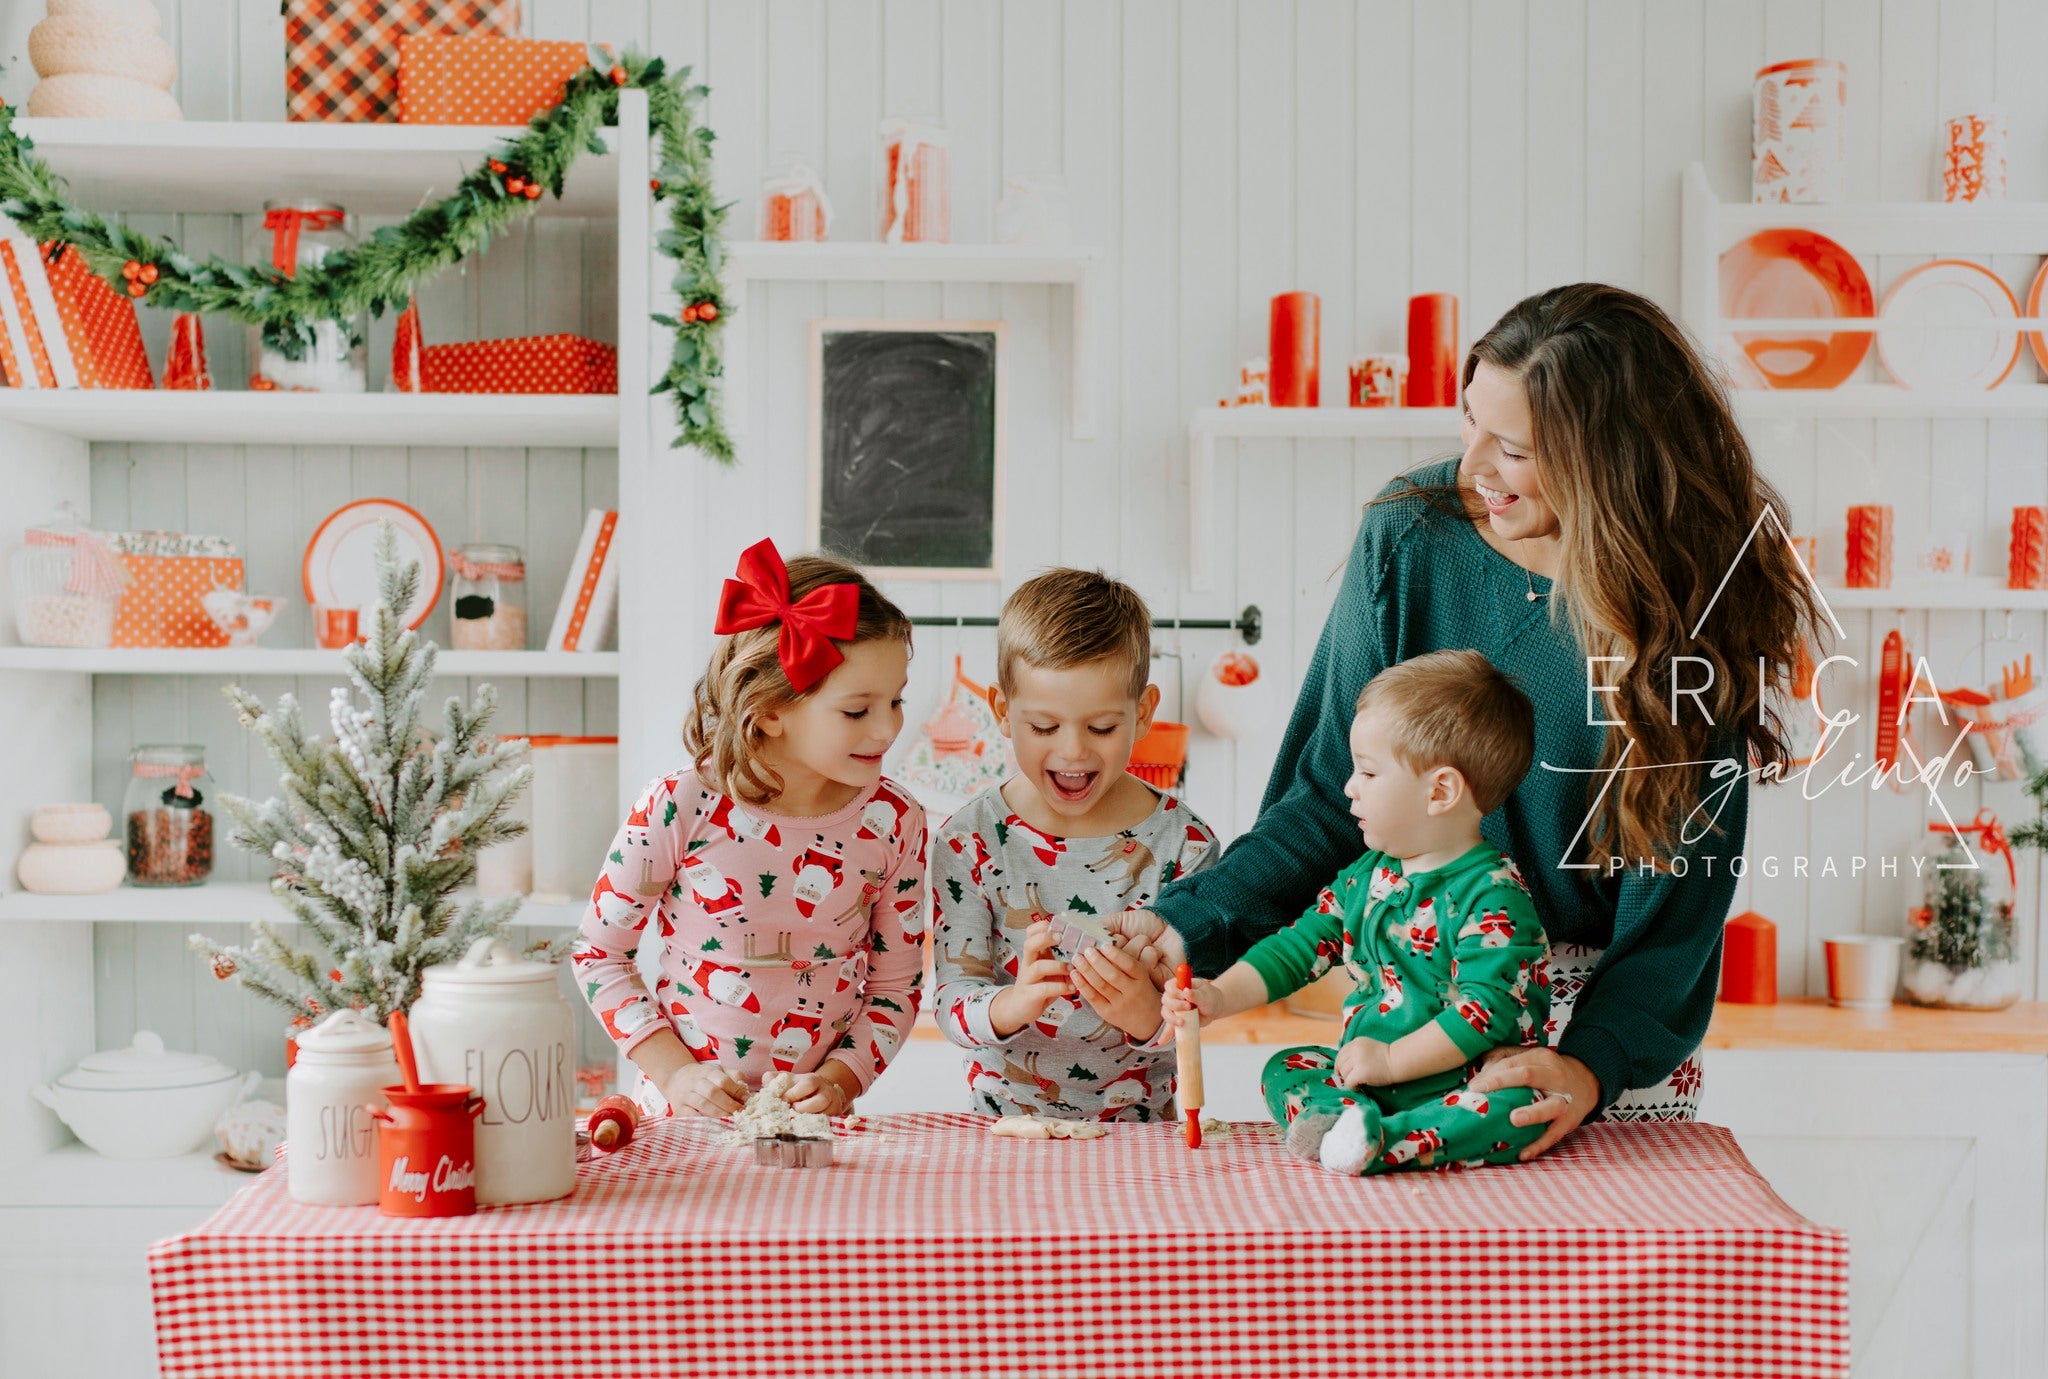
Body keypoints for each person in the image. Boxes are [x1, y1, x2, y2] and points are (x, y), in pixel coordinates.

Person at [1124, 283, 1828, 1157]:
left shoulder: (1692, 602)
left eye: (1516, 450)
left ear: (1612, 461)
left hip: (1592, 1057)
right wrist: (1184, 924)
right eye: (1469, 426)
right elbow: (1321, 802)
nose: (1473, 470)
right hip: (1407, 1029)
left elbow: (1678, 907)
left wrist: (1588, 1064)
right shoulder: (1412, 536)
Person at [573, 539, 927, 1118]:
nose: (888, 728)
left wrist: (840, 1083)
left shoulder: (894, 821)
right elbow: (597, 953)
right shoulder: (680, 804)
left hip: (817, 1132)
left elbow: (895, 987)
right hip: (681, 1128)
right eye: (858, 710)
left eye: (896, 700)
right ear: (768, 709)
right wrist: (677, 1075)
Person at [1163, 651, 1548, 1174]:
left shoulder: (1494, 895)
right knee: (1287, 1068)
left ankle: (1382, 1141)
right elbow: (1298, 948)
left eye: (1368, 771)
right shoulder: (1366, 876)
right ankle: (1354, 1124)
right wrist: (1219, 996)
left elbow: (1483, 1015)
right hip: (1369, 1080)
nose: (1349, 786)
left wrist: (1391, 1061)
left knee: (1516, 1104)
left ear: (1440, 791)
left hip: (1464, 1082)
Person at [929, 568, 1219, 1121]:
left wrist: (1146, 1015)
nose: (1073, 751)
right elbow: (950, 1003)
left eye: (1102, 727)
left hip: (1143, 1142)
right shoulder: (967, 842)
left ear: (1143, 712)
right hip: (1004, 1130)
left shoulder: (1188, 843)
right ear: (1002, 711)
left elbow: (1206, 1004)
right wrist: (1012, 1003)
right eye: (1043, 726)